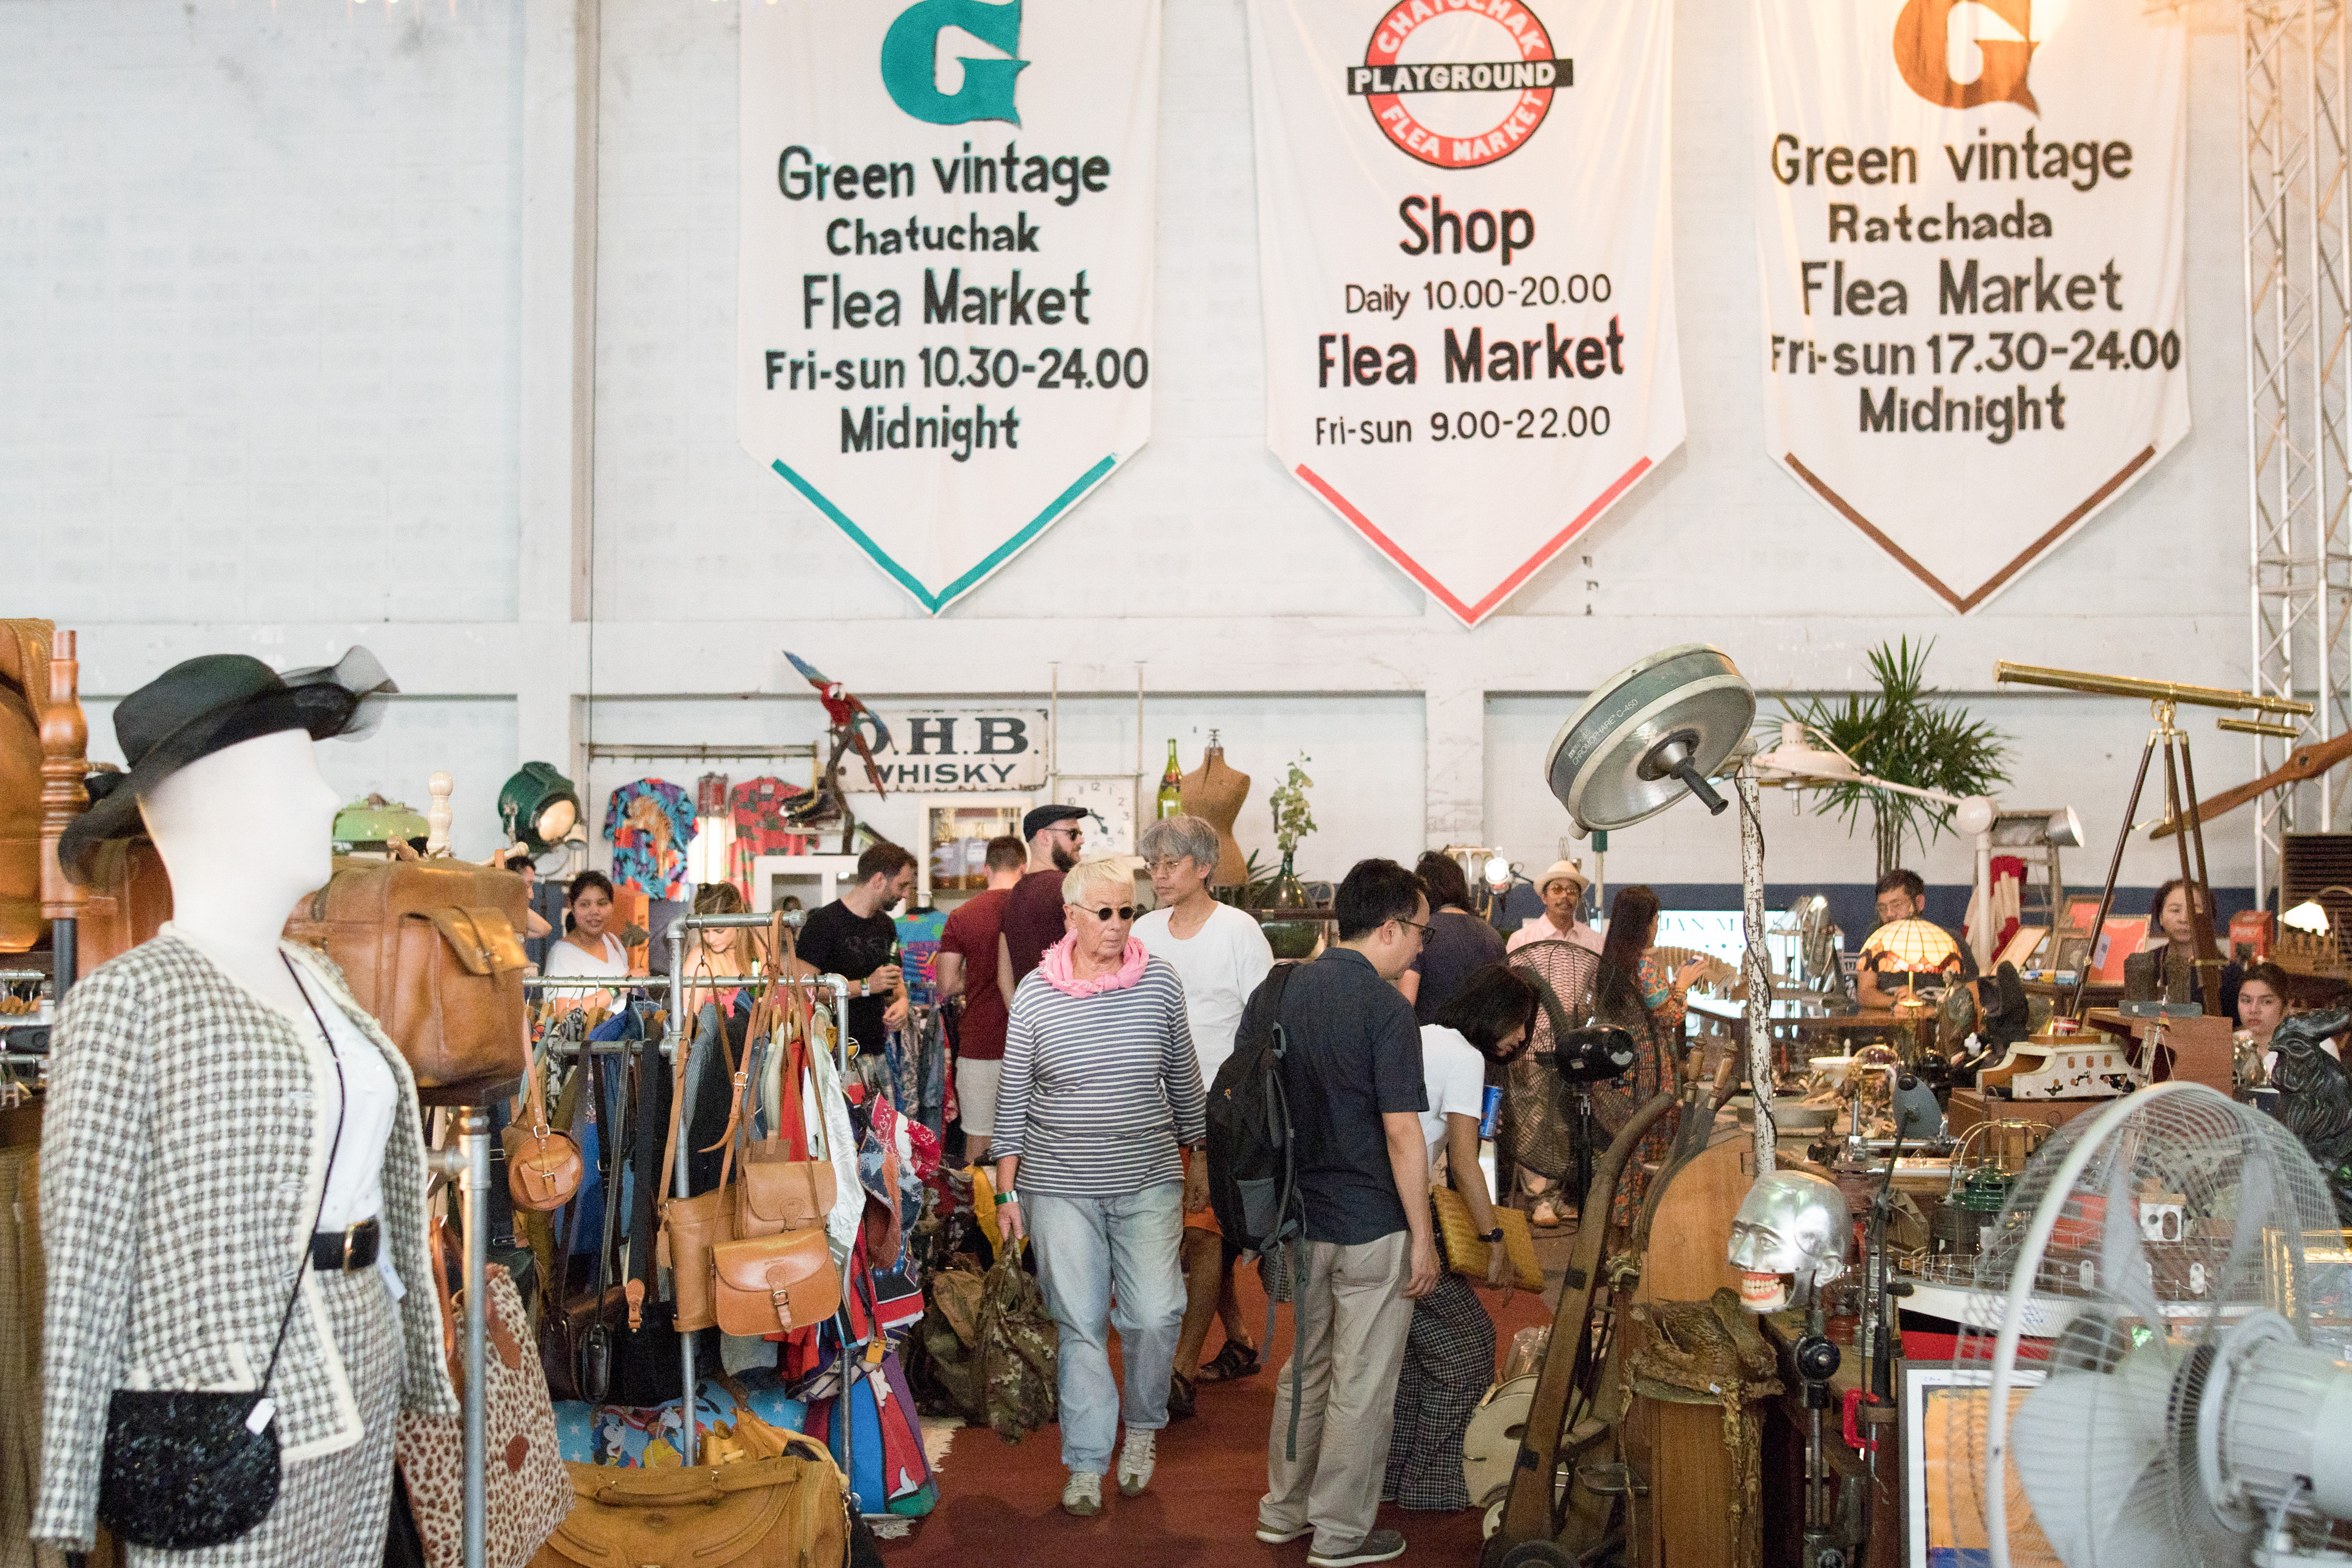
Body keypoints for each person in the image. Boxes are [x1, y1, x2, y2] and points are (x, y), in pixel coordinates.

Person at [993, 857, 1205, 1517]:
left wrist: (1200, 1157)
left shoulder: (1159, 982)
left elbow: (1184, 1076)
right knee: (1080, 1324)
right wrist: (1005, 1191)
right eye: (1104, 912)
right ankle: (1086, 1462)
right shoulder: (1036, 993)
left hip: (1148, 1177)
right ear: (1071, 916)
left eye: (1127, 912)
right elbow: (1012, 1097)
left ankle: (1141, 1427)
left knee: (1156, 1313)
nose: (1117, 925)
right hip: (1058, 1185)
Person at [1247, 858, 1438, 1568]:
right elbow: (1401, 1132)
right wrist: (1424, 1237)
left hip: (1297, 1217)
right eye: (1419, 931)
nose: (1420, 946)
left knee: (1306, 1369)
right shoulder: (1386, 1009)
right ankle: (1339, 1534)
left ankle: (1283, 1511)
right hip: (1370, 1221)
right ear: (1388, 927)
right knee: (1361, 1384)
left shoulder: (1278, 990)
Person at [1135, 814, 1275, 1413]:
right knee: (1179, 1234)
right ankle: (1238, 1338)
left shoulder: (1238, 931)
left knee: (1202, 1232)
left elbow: (1263, 1024)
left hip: (1219, 1109)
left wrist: (1245, 1105)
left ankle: (1182, 1371)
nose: (1160, 875)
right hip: (1150, 1106)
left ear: (1204, 867)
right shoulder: (1143, 930)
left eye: (1172, 864)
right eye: (1154, 864)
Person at [1385, 964, 1536, 1513]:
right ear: (1491, 1009)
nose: (1522, 1036)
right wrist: (1494, 1239)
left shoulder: (1421, 1036)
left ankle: (1395, 1475)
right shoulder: (1466, 1057)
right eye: (1518, 1021)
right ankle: (1432, 1482)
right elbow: (1467, 1164)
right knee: (1469, 1346)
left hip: (1376, 1209)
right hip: (1404, 1214)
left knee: (1412, 1355)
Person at [1590, 885, 1705, 1231]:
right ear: (1646, 923)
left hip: (1618, 1075)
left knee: (1621, 1151)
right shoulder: (1644, 966)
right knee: (1646, 1152)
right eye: (1656, 920)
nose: (1657, 927)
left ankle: (1614, 1231)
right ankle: (1640, 1232)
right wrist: (1683, 983)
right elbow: (1670, 1014)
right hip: (1649, 1076)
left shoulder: (1610, 964)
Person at [936, 833, 1027, 1163]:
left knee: (979, 1140)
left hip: (980, 1041)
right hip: (1032, 1041)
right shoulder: (1035, 911)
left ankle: (982, 1199)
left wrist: (976, 977)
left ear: (986, 869)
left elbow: (946, 983)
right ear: (1023, 868)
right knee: (1032, 1143)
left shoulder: (962, 915)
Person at [791, 841, 914, 1056]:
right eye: (902, 886)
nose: (905, 894)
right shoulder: (823, 922)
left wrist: (902, 1001)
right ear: (879, 880)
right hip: (831, 1054)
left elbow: (893, 981)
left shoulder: (886, 925)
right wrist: (865, 986)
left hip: (875, 1051)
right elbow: (802, 989)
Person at [998, 804, 1090, 1002]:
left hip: (1035, 1011)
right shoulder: (1069, 888)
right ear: (1044, 837)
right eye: (1072, 833)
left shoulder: (1013, 896)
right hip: (1072, 1010)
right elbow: (1094, 955)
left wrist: (1020, 1015)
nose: (1081, 840)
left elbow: (1004, 976)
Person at [1401, 851, 1505, 1023]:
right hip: (1480, 1039)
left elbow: (1406, 1003)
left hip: (1431, 1037)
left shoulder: (1421, 932)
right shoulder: (1492, 935)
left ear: (1424, 891)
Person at [1856, 869, 1970, 1009]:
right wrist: (1898, 1003)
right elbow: (1865, 993)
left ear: (1919, 903)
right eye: (1883, 908)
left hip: (1936, 1017)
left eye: (1897, 905)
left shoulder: (1950, 941)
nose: (1889, 914)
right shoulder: (1877, 938)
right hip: (1893, 1017)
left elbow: (1973, 999)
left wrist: (1924, 1008)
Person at [2143, 877, 2243, 1018]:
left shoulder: (2229, 973)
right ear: (2161, 918)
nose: (2184, 919)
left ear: (2208, 918)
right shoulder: (2146, 963)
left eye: (2193, 910)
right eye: (2175, 910)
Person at [543, 870, 636, 978]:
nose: (595, 912)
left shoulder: (612, 941)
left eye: (602, 904)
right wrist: (622, 984)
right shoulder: (562, 954)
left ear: (612, 906)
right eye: (584, 905)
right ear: (572, 908)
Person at [1505, 860, 1601, 955]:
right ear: (1544, 897)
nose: (1565, 895)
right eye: (1557, 889)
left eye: (1571, 890)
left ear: (1579, 898)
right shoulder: (1521, 941)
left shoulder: (1596, 942)